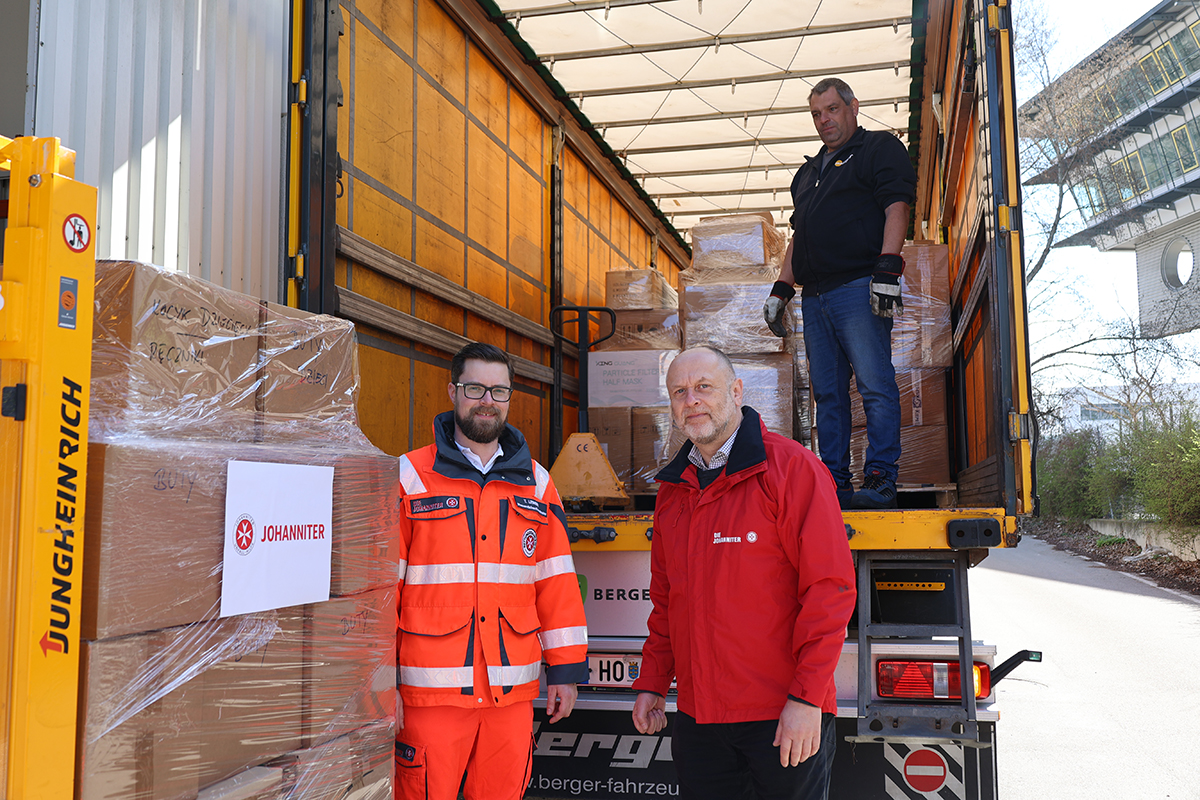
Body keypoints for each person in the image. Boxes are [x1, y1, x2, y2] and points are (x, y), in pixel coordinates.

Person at [630, 346, 856, 800]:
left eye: (704, 387)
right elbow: (667, 602)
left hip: (781, 716)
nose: (692, 400)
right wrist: (653, 681)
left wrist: (806, 698)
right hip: (699, 720)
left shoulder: (792, 469)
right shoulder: (673, 492)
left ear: (736, 392)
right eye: (679, 392)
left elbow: (829, 591)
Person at [394, 342, 589, 800]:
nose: (487, 401)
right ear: (453, 391)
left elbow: (556, 581)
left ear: (509, 398)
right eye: (475, 388)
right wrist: (380, 685)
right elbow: (383, 589)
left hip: (510, 694)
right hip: (430, 695)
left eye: (499, 391)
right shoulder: (410, 476)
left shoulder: (537, 483)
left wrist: (565, 671)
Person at [763, 77, 918, 510]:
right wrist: (781, 288)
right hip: (815, 297)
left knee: (874, 384)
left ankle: (881, 478)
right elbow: (800, 236)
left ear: (853, 106)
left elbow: (897, 206)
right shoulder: (807, 174)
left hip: (857, 288)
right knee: (828, 394)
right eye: (816, 113)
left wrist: (888, 266)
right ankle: (833, 481)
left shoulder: (877, 149)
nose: (824, 120)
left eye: (831, 109)